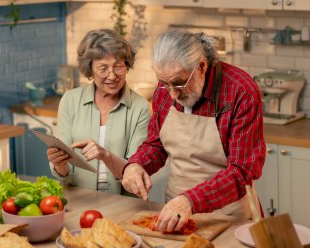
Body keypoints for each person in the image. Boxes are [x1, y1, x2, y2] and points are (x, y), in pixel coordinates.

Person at [122, 30, 266, 232]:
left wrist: (190, 200)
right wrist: (136, 165)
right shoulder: (166, 87)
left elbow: (242, 172)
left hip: (230, 216)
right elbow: (156, 145)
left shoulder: (241, 91)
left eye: (179, 83)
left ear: (201, 67)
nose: (171, 94)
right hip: (174, 213)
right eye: (164, 83)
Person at [47, 28, 150, 194]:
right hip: (79, 198)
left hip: (122, 201)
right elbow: (64, 175)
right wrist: (60, 166)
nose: (112, 76)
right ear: (90, 69)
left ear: (127, 66)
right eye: (103, 68)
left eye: (118, 67)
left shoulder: (140, 107)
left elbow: (135, 168)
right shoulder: (70, 100)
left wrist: (104, 154)